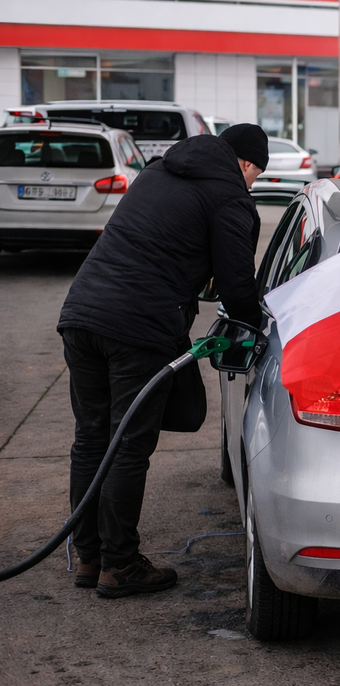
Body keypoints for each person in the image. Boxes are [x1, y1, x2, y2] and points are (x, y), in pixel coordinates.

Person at [57, 124, 269, 599]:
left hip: (81, 313)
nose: (250, 186)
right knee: (128, 443)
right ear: (247, 164)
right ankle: (120, 565)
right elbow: (238, 287)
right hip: (138, 326)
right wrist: (255, 327)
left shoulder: (156, 172)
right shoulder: (229, 196)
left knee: (91, 437)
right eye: (254, 176)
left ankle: (89, 556)